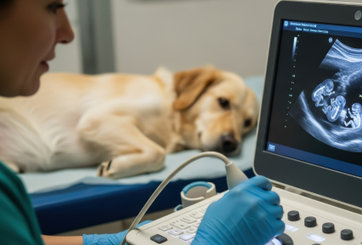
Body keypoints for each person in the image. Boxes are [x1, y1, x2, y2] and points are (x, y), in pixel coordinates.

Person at [0, 0, 285, 244]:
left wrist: (119, 241)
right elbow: (96, 122)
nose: (69, 33)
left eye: (245, 124)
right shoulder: (156, 95)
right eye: (52, 6)